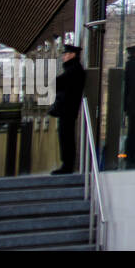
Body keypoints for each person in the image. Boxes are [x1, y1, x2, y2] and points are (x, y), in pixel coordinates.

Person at [51, 43, 85, 175]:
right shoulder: (72, 69)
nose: (64, 57)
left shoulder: (74, 69)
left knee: (66, 137)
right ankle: (66, 164)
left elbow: (58, 83)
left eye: (66, 54)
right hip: (67, 109)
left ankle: (67, 164)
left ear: (72, 55)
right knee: (65, 136)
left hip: (68, 109)